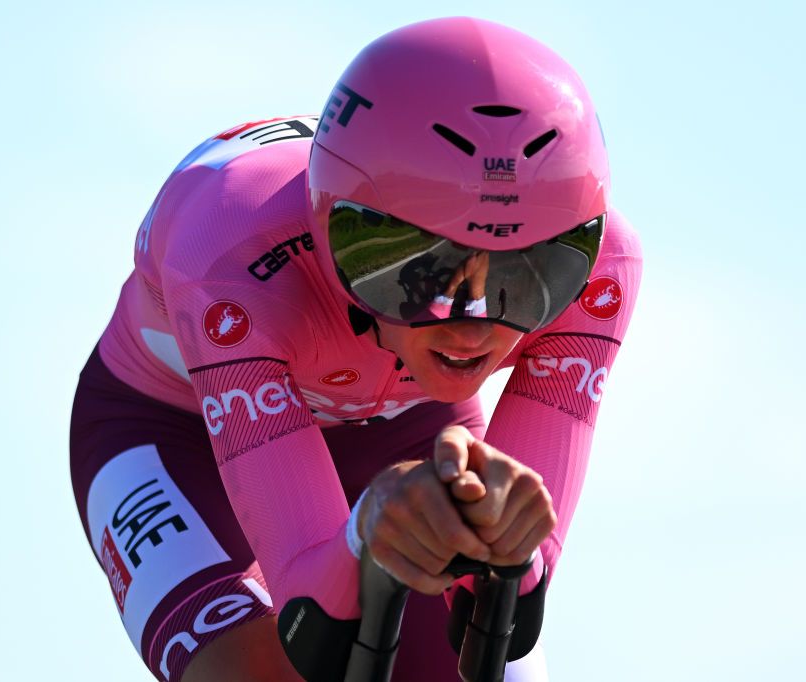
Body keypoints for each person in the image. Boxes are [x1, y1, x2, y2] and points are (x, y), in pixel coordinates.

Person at [70, 16, 641, 682]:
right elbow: (315, 623)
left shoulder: (605, 266)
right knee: (247, 673)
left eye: (525, 277)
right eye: (426, 273)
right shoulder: (227, 252)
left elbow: (508, 604)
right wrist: (367, 529)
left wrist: (510, 548)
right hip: (176, 431)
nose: (470, 328)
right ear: (333, 229)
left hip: (411, 431)